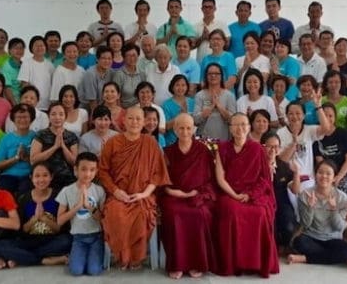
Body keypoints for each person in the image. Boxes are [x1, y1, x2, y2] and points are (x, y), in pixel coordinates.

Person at [99, 106, 170, 270]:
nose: (134, 122)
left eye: (138, 118)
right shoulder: (113, 142)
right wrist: (116, 192)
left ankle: (136, 257)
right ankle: (122, 256)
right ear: (123, 120)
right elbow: (102, 171)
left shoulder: (150, 143)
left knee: (141, 214)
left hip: (143, 195)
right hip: (118, 195)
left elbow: (158, 174)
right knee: (116, 214)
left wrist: (144, 194)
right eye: (130, 118)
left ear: (144, 122)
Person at [215, 113, 278, 277]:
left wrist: (249, 195)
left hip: (253, 195)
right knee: (231, 211)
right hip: (229, 193)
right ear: (230, 128)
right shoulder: (222, 148)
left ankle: (255, 264)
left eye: (243, 124)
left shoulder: (257, 149)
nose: (240, 128)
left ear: (249, 127)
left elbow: (264, 179)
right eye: (235, 125)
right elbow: (220, 178)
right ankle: (236, 264)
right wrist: (235, 195)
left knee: (260, 213)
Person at [161, 113, 217, 279]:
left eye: (188, 128)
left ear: (193, 129)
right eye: (181, 128)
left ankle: (196, 263)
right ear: (175, 130)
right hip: (173, 195)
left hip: (197, 195)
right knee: (173, 214)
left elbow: (210, 178)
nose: (185, 132)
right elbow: (161, 178)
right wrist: (171, 191)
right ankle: (177, 264)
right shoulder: (167, 152)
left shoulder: (203, 150)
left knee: (200, 214)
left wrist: (196, 192)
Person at [0, 162, 72, 269]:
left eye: (45, 175)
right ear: (31, 178)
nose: (41, 180)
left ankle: (21, 257)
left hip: (52, 240)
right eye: (37, 176)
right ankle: (43, 260)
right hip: (29, 241)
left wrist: (43, 218)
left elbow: (59, 229)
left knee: (67, 241)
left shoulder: (59, 196)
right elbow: (22, 230)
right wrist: (34, 219)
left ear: (51, 177)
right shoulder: (24, 198)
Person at [288, 160, 347, 265]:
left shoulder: (342, 197)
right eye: (320, 172)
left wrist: (333, 210)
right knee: (300, 243)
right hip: (311, 237)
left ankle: (305, 259)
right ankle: (333, 257)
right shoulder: (305, 195)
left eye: (328, 173)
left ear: (334, 178)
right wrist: (310, 207)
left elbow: (340, 228)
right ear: (315, 175)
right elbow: (305, 224)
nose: (324, 176)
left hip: (333, 239)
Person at [56, 152, 106, 275]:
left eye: (92, 170)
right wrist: (78, 206)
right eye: (83, 169)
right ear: (75, 170)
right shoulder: (67, 191)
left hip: (96, 237)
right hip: (78, 238)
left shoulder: (99, 190)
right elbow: (60, 220)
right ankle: (75, 256)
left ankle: (95, 256)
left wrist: (89, 206)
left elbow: (103, 219)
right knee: (76, 271)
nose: (87, 174)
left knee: (94, 271)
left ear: (96, 171)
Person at [277, 97, 331, 197]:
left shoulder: (309, 130)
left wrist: (318, 106)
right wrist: (293, 144)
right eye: (291, 113)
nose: (294, 116)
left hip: (308, 179)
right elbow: (282, 159)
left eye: (298, 113)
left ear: (304, 115)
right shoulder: (281, 133)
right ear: (287, 116)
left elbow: (326, 129)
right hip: (289, 179)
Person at [260, 132, 300, 250]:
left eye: (276, 146)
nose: (273, 150)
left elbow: (295, 190)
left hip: (281, 204)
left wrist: (297, 173)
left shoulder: (283, 165)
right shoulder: (256, 164)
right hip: (263, 204)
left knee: (288, 226)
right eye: (269, 146)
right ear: (262, 147)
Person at [30, 102, 78, 193]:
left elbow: (74, 162)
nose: (57, 117)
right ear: (49, 116)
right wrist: (55, 147)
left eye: (61, 114)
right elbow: (33, 160)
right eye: (53, 114)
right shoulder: (41, 134)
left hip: (67, 177)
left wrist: (63, 146)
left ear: (65, 117)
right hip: (45, 177)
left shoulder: (71, 136)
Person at [0, 104, 36, 194]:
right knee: (1, 190)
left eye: (25, 117)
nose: (22, 120)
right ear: (13, 119)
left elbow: (41, 162)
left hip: (29, 175)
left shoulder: (36, 136)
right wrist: (16, 158)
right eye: (19, 117)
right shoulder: (6, 138)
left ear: (31, 119)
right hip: (8, 175)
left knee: (26, 190)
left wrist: (26, 158)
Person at [313, 103, 347, 196]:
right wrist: (329, 178)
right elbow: (320, 162)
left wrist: (338, 177)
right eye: (324, 115)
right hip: (325, 175)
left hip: (344, 175)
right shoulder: (316, 136)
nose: (327, 118)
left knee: (341, 194)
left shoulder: (345, 134)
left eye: (330, 116)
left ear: (335, 118)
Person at [193, 63, 236, 140]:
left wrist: (219, 106)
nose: (213, 76)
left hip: (224, 140)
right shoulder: (200, 95)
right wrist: (211, 106)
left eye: (216, 73)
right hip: (203, 139)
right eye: (210, 73)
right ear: (206, 76)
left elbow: (233, 120)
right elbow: (195, 120)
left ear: (221, 76)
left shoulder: (229, 95)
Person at [18, 35, 55, 111]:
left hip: (47, 105)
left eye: (42, 45)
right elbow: (24, 84)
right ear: (31, 48)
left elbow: (52, 84)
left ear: (45, 47)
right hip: (31, 105)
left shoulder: (50, 65)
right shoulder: (27, 63)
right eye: (36, 46)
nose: (39, 48)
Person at [194, 0, 230, 64]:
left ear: (215, 8)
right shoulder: (196, 26)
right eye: (205, 7)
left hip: (219, 63)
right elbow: (192, 46)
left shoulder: (221, 24)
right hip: (201, 63)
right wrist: (202, 38)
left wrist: (209, 38)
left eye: (210, 7)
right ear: (202, 9)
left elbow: (227, 44)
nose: (207, 9)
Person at [162, 75, 195, 146]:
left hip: (189, 142)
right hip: (171, 142)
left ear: (187, 87)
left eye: (183, 85)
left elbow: (196, 123)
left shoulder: (192, 102)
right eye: (177, 85)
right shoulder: (166, 104)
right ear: (172, 87)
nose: (180, 88)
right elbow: (166, 127)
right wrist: (180, 116)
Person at [235, 31, 271, 97]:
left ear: (257, 44)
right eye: (247, 43)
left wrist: (250, 66)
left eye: (252, 43)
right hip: (242, 96)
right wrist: (244, 67)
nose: (249, 46)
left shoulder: (264, 60)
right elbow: (235, 81)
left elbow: (263, 80)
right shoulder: (238, 60)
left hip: (261, 97)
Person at [111, 43, 146, 108]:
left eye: (134, 55)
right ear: (124, 57)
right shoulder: (119, 74)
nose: (132, 58)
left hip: (139, 108)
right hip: (124, 109)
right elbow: (116, 97)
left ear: (138, 56)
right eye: (128, 56)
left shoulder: (142, 73)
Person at [80, 46, 114, 111]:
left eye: (109, 58)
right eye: (103, 58)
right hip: (87, 109)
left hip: (103, 107)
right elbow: (92, 102)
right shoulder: (90, 74)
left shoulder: (111, 72)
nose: (107, 61)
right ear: (97, 59)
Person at [0, 38, 26, 105]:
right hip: (11, 103)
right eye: (15, 48)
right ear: (9, 51)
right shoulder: (6, 66)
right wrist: (14, 104)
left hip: (22, 101)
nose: (19, 50)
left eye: (21, 48)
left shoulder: (24, 65)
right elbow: (7, 88)